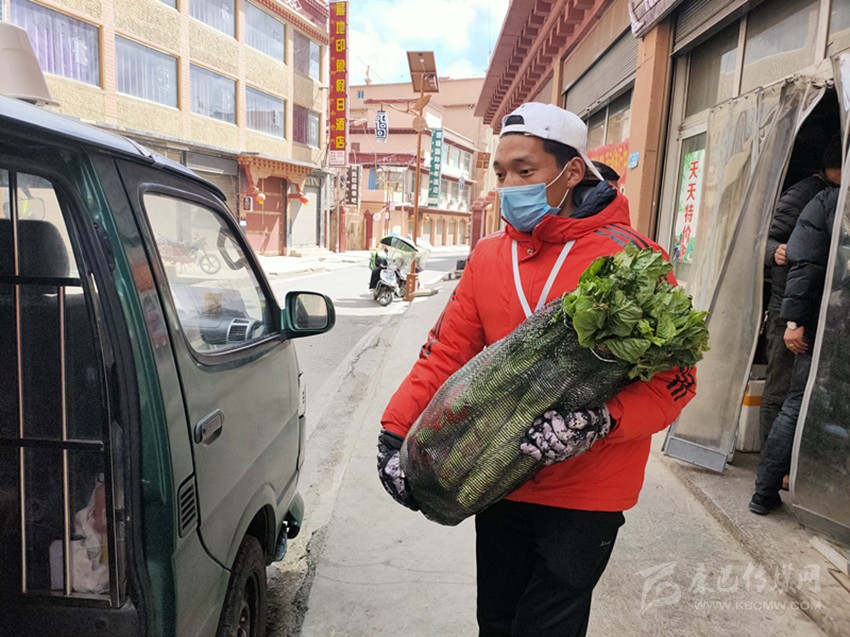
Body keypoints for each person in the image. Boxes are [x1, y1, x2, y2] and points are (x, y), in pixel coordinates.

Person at [376, 102, 697, 636]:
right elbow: (446, 353)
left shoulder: (633, 261)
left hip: (588, 490)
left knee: (548, 627)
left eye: (525, 171)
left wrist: (601, 421)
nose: (509, 186)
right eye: (501, 173)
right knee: (496, 621)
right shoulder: (488, 257)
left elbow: (675, 382)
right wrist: (394, 432)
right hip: (496, 476)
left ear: (570, 172)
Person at [749, 185, 839, 515]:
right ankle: (771, 481)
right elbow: (800, 261)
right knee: (792, 398)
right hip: (812, 317)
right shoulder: (822, 198)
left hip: (820, 317)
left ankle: (771, 485)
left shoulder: (828, 200)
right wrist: (793, 320)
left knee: (800, 401)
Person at [760, 141, 841, 447]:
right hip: (787, 308)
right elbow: (762, 241)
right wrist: (774, 251)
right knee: (780, 389)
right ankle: (769, 458)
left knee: (803, 391)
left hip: (816, 308)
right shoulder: (804, 194)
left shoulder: (834, 194)